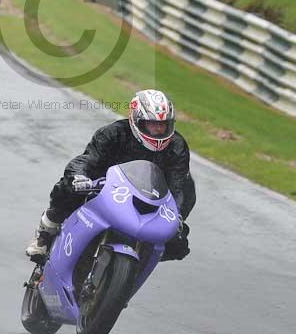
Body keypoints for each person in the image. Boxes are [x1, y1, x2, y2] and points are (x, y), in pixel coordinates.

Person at [26, 89, 196, 262]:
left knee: (178, 245)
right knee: (68, 189)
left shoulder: (177, 146)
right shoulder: (113, 133)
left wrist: (178, 215)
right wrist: (79, 177)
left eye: (164, 124)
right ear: (137, 121)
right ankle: (45, 235)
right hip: (104, 191)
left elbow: (180, 185)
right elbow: (87, 160)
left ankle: (137, 266)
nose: (159, 130)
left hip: (149, 200)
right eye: (153, 124)